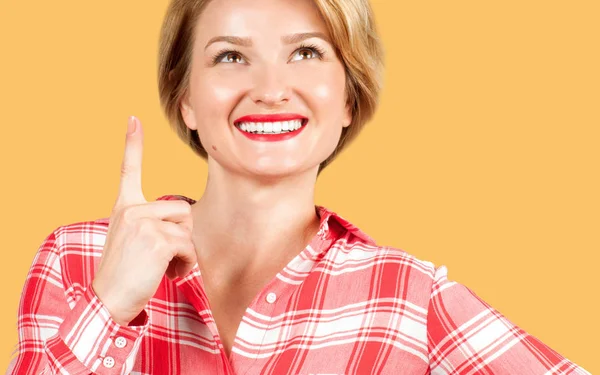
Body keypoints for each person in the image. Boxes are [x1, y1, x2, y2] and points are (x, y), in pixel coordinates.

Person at [7, 0, 590, 374]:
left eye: (306, 53)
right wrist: (109, 307)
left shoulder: (407, 294)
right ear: (185, 98)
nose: (271, 89)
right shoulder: (78, 258)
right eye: (231, 56)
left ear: (348, 98)